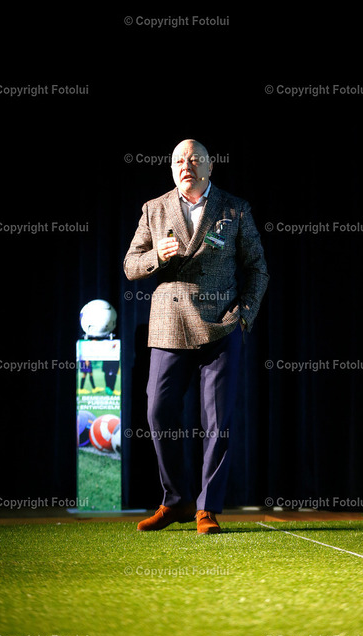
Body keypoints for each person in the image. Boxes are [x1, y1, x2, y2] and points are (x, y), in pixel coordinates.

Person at [123, 139, 269, 534]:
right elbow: (131, 266)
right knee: (158, 411)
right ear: (172, 169)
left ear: (209, 166)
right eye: (178, 160)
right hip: (169, 323)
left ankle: (207, 507)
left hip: (221, 323)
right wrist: (157, 256)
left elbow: (258, 268)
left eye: (194, 159)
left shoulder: (234, 208)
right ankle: (176, 501)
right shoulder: (154, 209)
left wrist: (244, 316)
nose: (185, 165)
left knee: (217, 420)